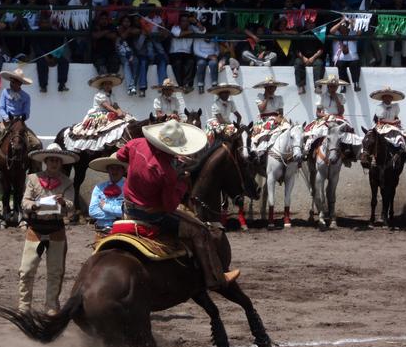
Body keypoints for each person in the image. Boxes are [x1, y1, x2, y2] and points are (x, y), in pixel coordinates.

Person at [116, 119, 240, 289]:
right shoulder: (166, 173)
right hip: (152, 215)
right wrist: (181, 182)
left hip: (128, 208)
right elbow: (169, 206)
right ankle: (215, 277)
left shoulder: (135, 143)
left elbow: (120, 156)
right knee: (200, 230)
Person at [18, 143, 78, 316]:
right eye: (51, 160)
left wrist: (63, 203)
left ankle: (51, 307)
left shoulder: (67, 183)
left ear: (61, 163)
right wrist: (35, 205)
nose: (54, 163)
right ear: (45, 161)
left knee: (55, 271)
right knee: (26, 270)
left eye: (57, 160)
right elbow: (24, 202)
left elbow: (72, 206)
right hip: (35, 228)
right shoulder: (32, 179)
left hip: (56, 229)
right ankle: (23, 308)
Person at [0, 67, 43, 163]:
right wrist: (6, 117)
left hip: (19, 124)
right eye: (12, 81)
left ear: (20, 83)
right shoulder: (5, 92)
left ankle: (34, 168)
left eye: (16, 82)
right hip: (6, 123)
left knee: (37, 143)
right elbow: (1, 108)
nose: (13, 83)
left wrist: (23, 117)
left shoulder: (26, 96)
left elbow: (27, 112)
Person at [250, 76, 289, 162]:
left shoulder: (279, 98)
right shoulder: (260, 96)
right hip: (264, 120)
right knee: (262, 135)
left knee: (288, 129)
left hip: (276, 119)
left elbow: (281, 112)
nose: (272, 89)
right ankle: (260, 154)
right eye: (270, 87)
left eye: (274, 87)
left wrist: (278, 118)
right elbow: (261, 109)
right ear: (265, 88)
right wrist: (266, 98)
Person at [88, 152, 127, 235]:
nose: (114, 171)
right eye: (112, 168)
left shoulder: (129, 188)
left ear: (123, 170)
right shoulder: (99, 187)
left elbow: (128, 211)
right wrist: (117, 216)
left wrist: (105, 207)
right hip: (101, 229)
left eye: (118, 168)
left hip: (122, 230)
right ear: (107, 170)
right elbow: (92, 211)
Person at [330, 19, 361, 92]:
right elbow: (331, 31)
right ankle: (343, 85)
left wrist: (351, 22)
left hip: (352, 59)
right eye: (342, 26)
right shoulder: (337, 34)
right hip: (340, 59)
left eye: (346, 26)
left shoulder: (352, 33)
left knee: (355, 64)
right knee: (341, 65)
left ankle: (356, 83)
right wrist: (341, 22)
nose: (344, 27)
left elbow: (359, 32)